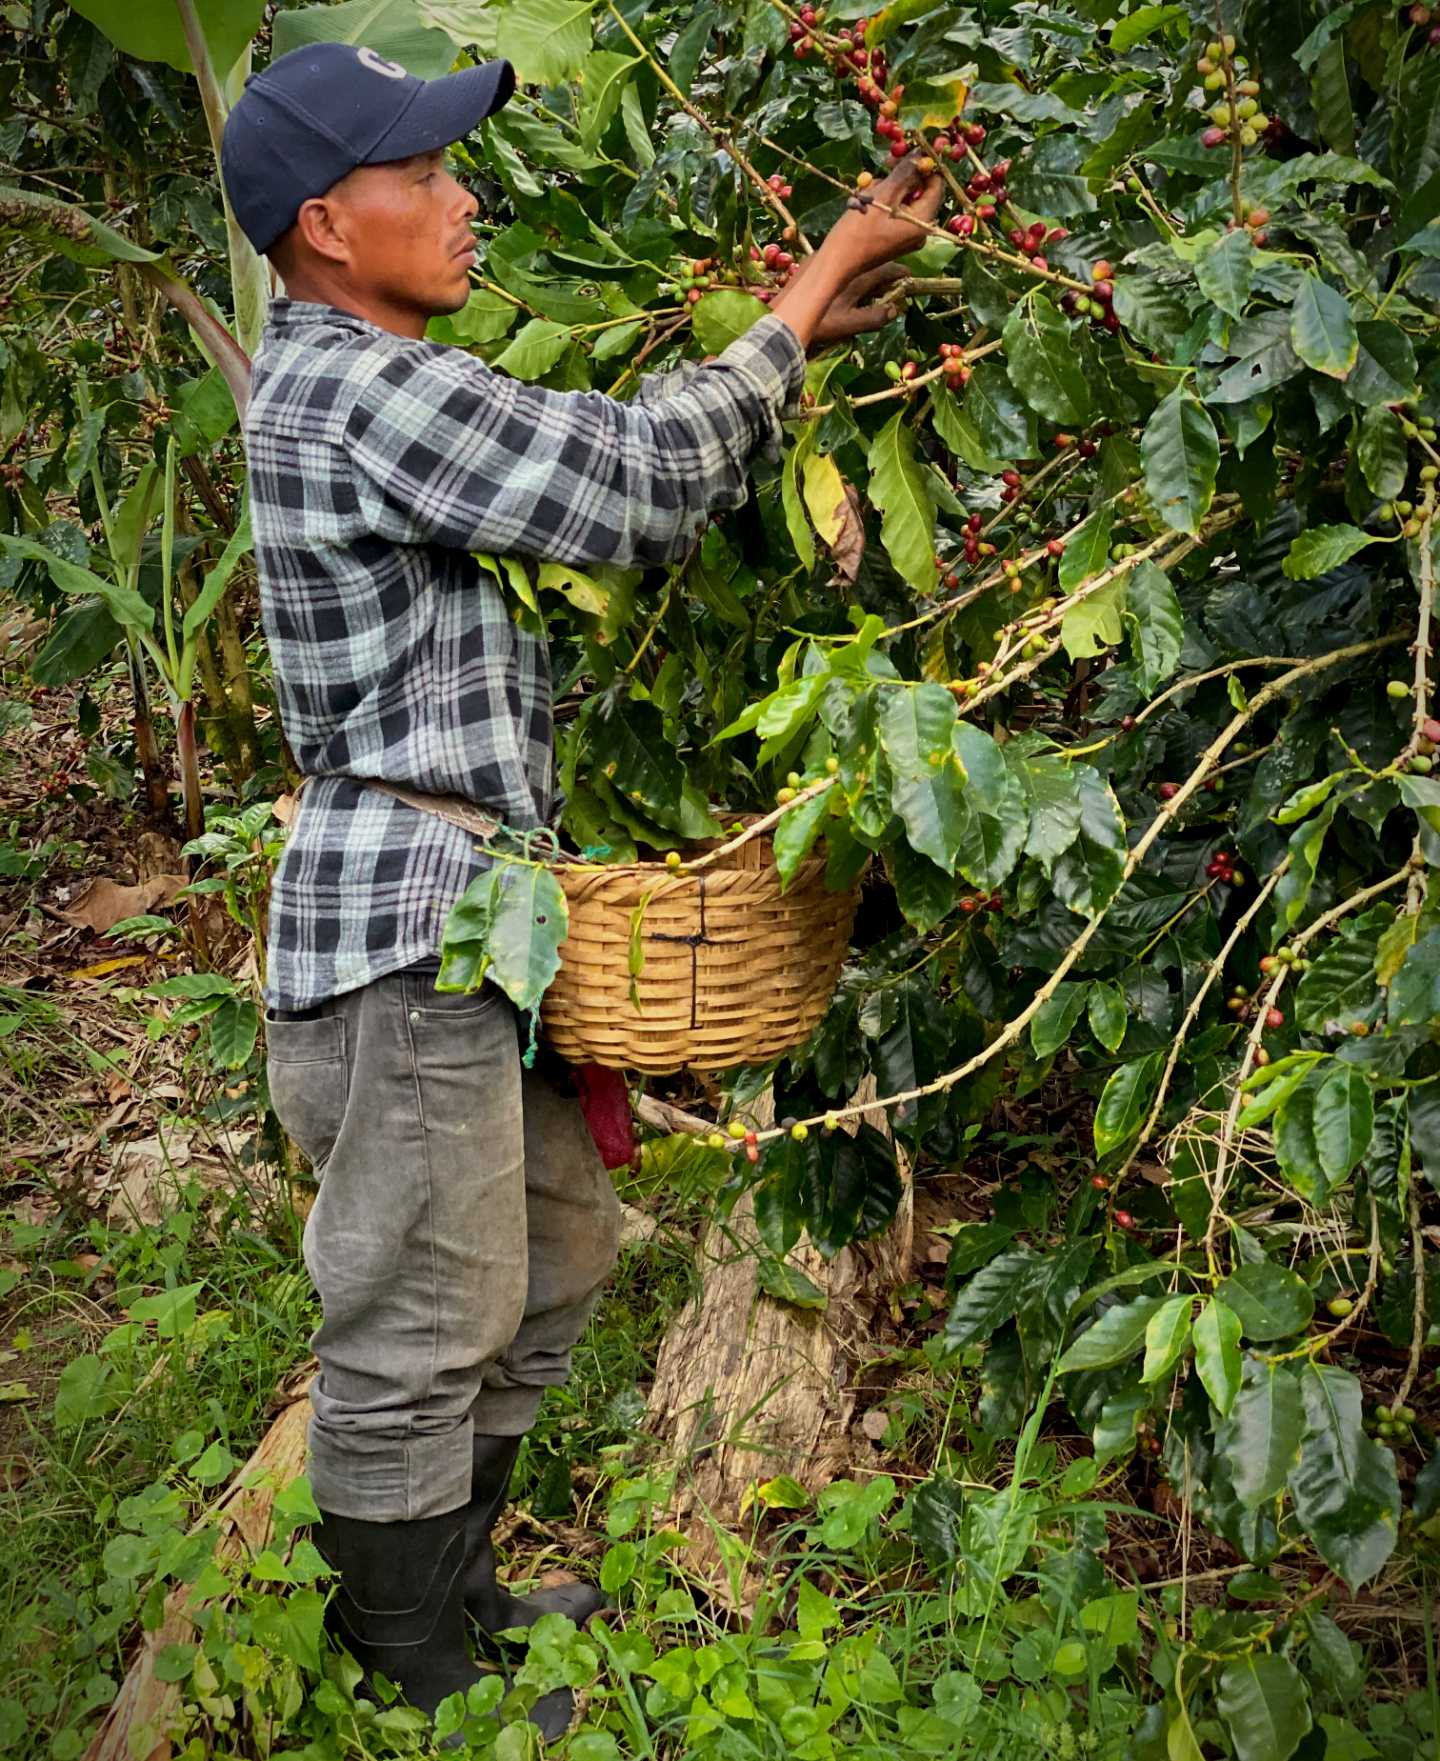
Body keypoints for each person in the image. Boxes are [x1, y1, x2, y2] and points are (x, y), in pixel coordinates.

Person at [219, 39, 942, 1738]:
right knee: (425, 1301)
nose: (466, 206)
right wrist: (800, 293)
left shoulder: (384, 380)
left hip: (479, 923)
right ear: (328, 226)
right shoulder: (348, 386)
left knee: (550, 1251)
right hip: (398, 934)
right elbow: (623, 483)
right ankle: (414, 1674)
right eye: (429, 179)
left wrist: (781, 354)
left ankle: (453, 1583)